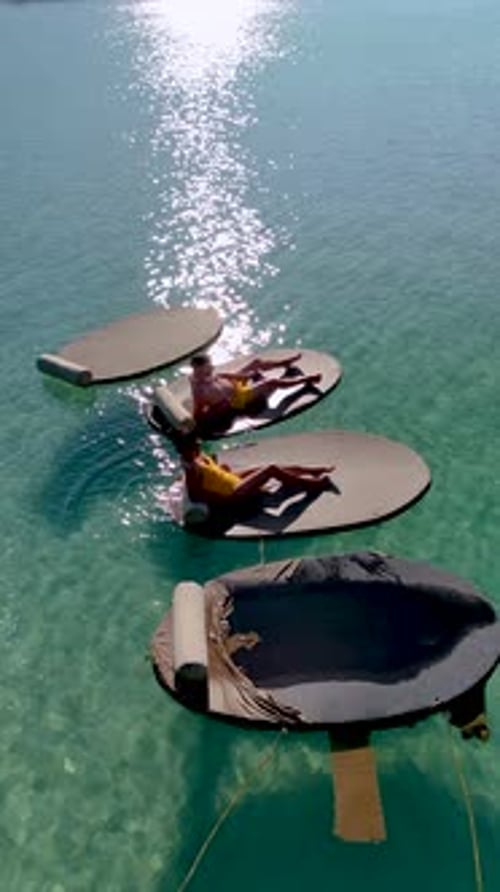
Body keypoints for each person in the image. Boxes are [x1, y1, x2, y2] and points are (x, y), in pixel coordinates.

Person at [176, 436, 335, 509]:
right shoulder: (191, 468)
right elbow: (196, 495)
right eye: (195, 443)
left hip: (232, 480)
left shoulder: (199, 456)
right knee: (271, 469)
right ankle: (314, 485)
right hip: (233, 493)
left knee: (270, 466)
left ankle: (312, 471)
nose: (199, 442)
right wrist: (225, 500)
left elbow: (211, 475)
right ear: (188, 449)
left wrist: (221, 470)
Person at [189, 352, 322, 425]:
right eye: (208, 365)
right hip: (239, 399)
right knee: (270, 382)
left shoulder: (204, 375)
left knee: (256, 363)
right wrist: (194, 425)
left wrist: (244, 375)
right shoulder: (200, 391)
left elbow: (224, 376)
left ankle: (284, 363)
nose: (211, 367)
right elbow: (198, 410)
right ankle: (307, 379)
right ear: (199, 368)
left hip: (235, 384)